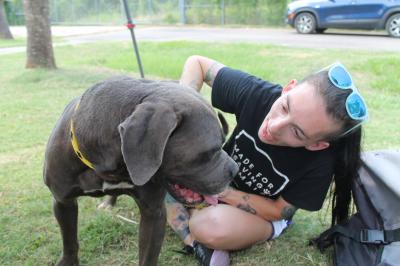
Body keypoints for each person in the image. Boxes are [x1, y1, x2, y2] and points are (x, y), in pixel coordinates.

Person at [165, 55, 369, 266]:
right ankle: (196, 244)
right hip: (217, 179)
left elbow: (278, 210)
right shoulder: (258, 95)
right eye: (284, 107)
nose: (273, 127)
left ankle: (203, 230)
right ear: (289, 88)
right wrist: (184, 120)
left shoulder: (321, 163)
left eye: (297, 132)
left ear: (316, 144)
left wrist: (218, 190)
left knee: (208, 225)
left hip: (262, 214)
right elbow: (197, 64)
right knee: (159, 163)